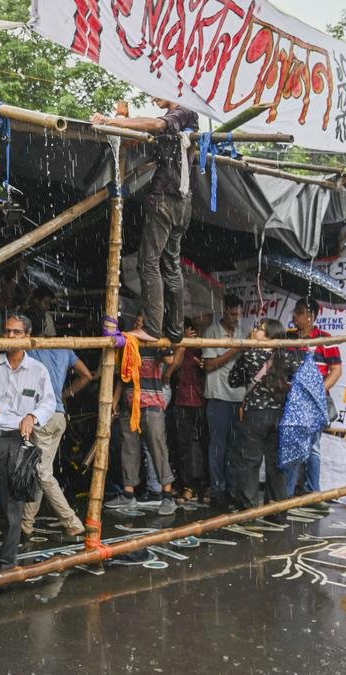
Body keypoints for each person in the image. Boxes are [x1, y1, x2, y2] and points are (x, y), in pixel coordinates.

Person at [91, 97, 198, 343]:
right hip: (183, 202)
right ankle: (175, 329)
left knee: (148, 263)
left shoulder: (183, 111)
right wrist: (123, 120)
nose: (152, 98)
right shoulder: (186, 120)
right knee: (170, 262)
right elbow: (146, 130)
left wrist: (112, 120)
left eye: (156, 93)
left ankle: (151, 328)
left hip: (165, 198)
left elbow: (156, 125)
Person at [0, 314, 57, 578]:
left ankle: (6, 563)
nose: (10, 337)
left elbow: (48, 403)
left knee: (12, 507)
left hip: (16, 443)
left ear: (27, 336)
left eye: (17, 333)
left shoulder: (38, 371)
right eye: (7, 332)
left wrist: (32, 416)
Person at [228, 319, 307, 521]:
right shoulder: (289, 356)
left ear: (270, 334)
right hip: (280, 416)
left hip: (255, 414)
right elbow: (300, 381)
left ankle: (249, 511)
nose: (254, 331)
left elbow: (233, 380)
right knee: (276, 465)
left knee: (249, 462)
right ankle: (278, 512)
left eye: (259, 329)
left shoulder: (250, 354)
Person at [23, 342, 92, 541]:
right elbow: (87, 375)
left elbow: (26, 390)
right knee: (40, 470)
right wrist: (64, 395)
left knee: (42, 473)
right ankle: (26, 523)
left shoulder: (29, 348)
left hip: (41, 417)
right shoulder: (65, 348)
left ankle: (72, 523)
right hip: (59, 416)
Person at [107, 343, 177, 515]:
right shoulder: (128, 348)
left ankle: (168, 495)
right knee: (129, 449)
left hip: (151, 405)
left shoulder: (155, 345)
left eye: (141, 322)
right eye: (137, 321)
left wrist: (162, 346)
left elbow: (170, 359)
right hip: (129, 406)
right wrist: (115, 401)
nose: (138, 324)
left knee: (157, 448)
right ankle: (128, 493)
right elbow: (123, 379)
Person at [286, 298, 343, 494]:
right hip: (292, 402)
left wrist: (317, 392)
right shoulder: (289, 340)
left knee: (313, 448)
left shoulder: (325, 339)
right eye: (295, 311)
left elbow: (336, 370)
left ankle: (313, 490)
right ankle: (289, 492)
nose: (294, 315)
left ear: (310, 317)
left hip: (315, 403)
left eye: (298, 312)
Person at [203, 294, 245, 507]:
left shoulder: (241, 332)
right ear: (224, 310)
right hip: (218, 397)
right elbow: (209, 365)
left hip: (238, 397)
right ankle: (217, 488)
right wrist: (233, 351)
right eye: (233, 313)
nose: (236, 318)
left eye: (239, 314)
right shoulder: (211, 331)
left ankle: (231, 488)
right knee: (217, 446)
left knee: (234, 447)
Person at [167, 316, 208, 503]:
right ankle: (187, 486)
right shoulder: (175, 347)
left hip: (201, 400)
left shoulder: (201, 346)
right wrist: (181, 344)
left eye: (189, 330)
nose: (188, 333)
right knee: (182, 446)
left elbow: (208, 370)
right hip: (181, 401)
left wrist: (204, 366)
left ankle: (203, 485)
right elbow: (173, 369)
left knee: (203, 445)